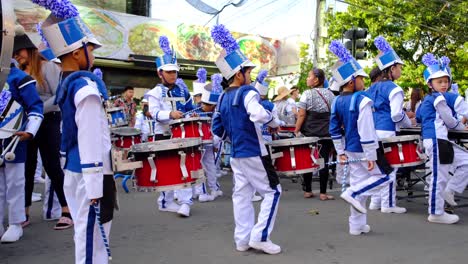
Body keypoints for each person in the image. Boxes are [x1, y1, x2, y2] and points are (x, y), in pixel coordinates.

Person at [40, 1, 116, 262]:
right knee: (91, 238)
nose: (93, 55)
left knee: (87, 235)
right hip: (91, 174)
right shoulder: (85, 87)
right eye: (90, 49)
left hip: (75, 170)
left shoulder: (66, 83)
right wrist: (96, 187)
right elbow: (90, 139)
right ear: (76, 53)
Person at [211, 24, 282, 255]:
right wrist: (272, 120)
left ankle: (241, 240)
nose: (251, 76)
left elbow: (217, 129)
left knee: (241, 196)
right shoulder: (248, 92)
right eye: (249, 72)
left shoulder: (222, 97)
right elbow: (258, 114)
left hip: (236, 154)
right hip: (254, 151)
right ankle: (260, 236)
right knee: (273, 191)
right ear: (239, 74)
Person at [328, 40, 391, 235]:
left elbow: (334, 129)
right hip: (364, 148)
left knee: (358, 182)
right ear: (351, 81)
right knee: (386, 177)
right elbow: (366, 130)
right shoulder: (362, 99)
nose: (364, 83)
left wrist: (340, 152)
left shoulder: (336, 100)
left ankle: (356, 226)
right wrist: (371, 155)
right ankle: (352, 194)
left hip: (349, 148)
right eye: (361, 79)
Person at [13, 25, 72, 230]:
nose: (16, 56)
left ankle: (67, 209)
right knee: (26, 167)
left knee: (52, 165)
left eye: (18, 52)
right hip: (25, 124)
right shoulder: (18, 72)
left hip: (48, 120)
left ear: (28, 50)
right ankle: (24, 212)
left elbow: (59, 96)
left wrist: (36, 109)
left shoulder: (48, 68)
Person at [146, 36, 195, 217]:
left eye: (174, 72)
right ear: (160, 73)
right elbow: (154, 113)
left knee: (184, 167)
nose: (173, 75)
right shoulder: (155, 92)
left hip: (182, 135)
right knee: (167, 169)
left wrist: (193, 114)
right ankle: (165, 202)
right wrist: (170, 115)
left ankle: (185, 202)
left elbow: (190, 109)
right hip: (163, 135)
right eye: (168, 72)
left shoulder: (184, 91)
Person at [417, 53, 468, 224]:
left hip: (439, 140)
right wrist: (461, 125)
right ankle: (436, 212)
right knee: (439, 177)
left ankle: (451, 190)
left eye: (446, 81)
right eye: (440, 82)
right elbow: (455, 115)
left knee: (466, 161)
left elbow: (419, 117)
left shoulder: (429, 99)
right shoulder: (439, 97)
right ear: (430, 84)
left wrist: (460, 126)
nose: (444, 84)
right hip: (436, 141)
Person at [366, 36, 413, 213]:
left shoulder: (371, 88)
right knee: (390, 168)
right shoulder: (395, 88)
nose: (401, 71)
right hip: (387, 131)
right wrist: (408, 122)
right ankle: (388, 204)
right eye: (399, 68)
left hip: (372, 131)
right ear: (392, 68)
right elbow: (396, 114)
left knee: (378, 168)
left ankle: (375, 202)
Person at [0, 54, 44, 243]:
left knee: (15, 183)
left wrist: (30, 131)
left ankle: (16, 223)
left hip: (13, 139)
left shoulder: (19, 78)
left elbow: (35, 106)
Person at [295, 68, 335, 201]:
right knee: (323, 161)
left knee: (308, 160)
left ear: (316, 79)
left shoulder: (307, 94)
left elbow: (301, 114)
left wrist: (296, 129)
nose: (307, 79)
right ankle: (323, 193)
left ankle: (308, 191)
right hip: (326, 132)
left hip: (310, 132)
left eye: (309, 76)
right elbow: (333, 114)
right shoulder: (330, 95)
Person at [194, 74, 224, 202]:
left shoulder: (217, 112)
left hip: (210, 142)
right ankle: (201, 192)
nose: (202, 105)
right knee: (198, 166)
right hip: (197, 142)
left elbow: (219, 129)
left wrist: (216, 143)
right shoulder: (195, 109)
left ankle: (214, 188)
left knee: (211, 165)